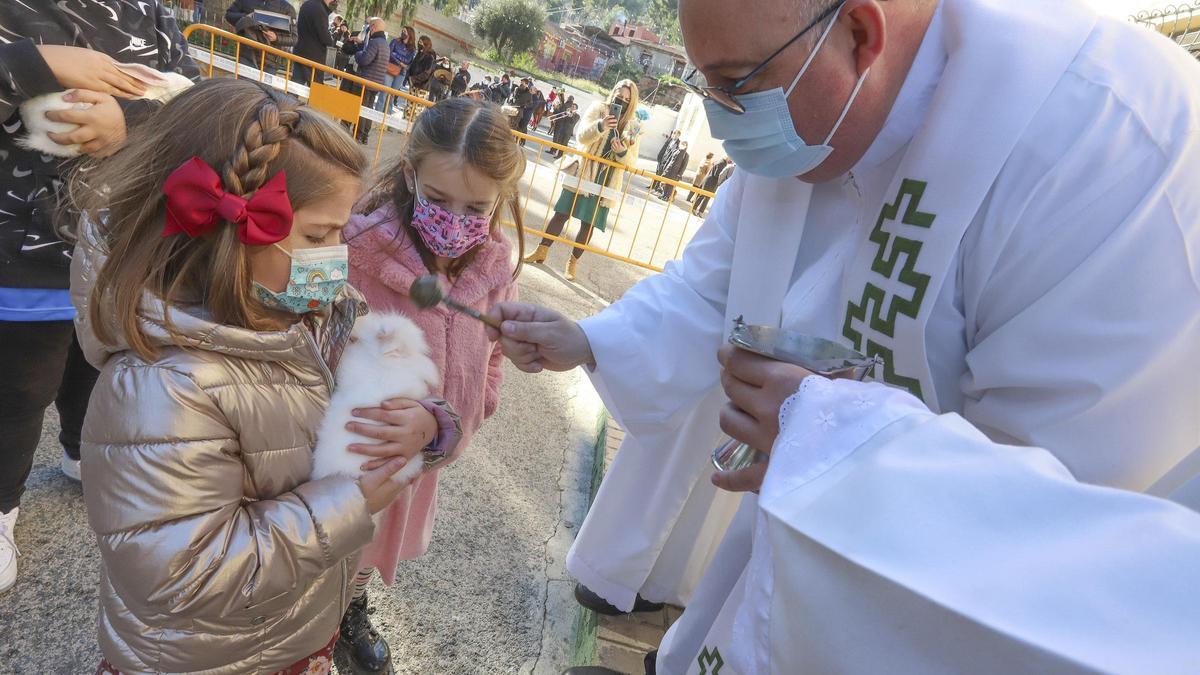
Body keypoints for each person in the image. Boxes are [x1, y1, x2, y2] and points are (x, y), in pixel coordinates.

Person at [488, 0, 1200, 672]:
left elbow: (1044, 542)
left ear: (860, 32)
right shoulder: (805, 115)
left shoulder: (1106, 138)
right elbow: (708, 282)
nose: (720, 115)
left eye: (735, 85)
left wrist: (825, 434)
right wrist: (589, 340)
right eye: (706, 84)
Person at [70, 78, 457, 675]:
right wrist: (343, 506)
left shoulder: (313, 314)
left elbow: (383, 400)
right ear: (227, 233)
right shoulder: (161, 387)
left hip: (290, 631)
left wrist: (427, 427)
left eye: (342, 233)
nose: (339, 257)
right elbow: (180, 575)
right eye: (319, 236)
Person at [0, 0, 198, 596]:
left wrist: (127, 124)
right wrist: (33, 63)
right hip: (19, 249)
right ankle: (4, 502)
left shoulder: (153, 15)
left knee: (99, 361)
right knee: (19, 387)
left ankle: (82, 453)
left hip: (114, 244)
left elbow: (189, 106)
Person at [339, 97, 524, 675]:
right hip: (349, 460)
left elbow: (491, 359)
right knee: (330, 545)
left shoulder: (494, 270)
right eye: (439, 201)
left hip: (422, 461)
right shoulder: (356, 252)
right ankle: (319, 615)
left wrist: (462, 413)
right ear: (410, 173)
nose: (454, 220)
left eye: (475, 207)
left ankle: (350, 606)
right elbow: (317, 351)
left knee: (366, 553)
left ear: (499, 201)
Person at [523, 80, 642, 281]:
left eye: (627, 99)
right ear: (613, 93)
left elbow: (631, 160)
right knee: (561, 213)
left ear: (632, 102)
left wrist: (622, 152)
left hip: (607, 178)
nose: (621, 100)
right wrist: (601, 126)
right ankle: (541, 251)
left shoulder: (634, 125)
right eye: (619, 95)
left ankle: (572, 263)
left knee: (589, 223)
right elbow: (580, 137)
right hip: (584, 170)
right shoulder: (598, 108)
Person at [225, 0, 297, 76]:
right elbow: (229, 15)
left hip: (270, 62)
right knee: (243, 86)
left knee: (264, 88)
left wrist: (276, 38)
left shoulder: (287, 8)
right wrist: (248, 18)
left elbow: (293, 38)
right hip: (247, 54)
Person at [351, 17, 388, 145]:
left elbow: (365, 60)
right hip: (376, 82)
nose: (369, 29)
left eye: (370, 26)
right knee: (369, 110)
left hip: (366, 81)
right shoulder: (385, 44)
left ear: (373, 27)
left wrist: (358, 53)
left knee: (362, 109)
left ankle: (358, 134)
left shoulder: (375, 42)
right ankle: (365, 135)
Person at [291, 0, 337, 86]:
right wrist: (331, 41)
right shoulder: (320, 10)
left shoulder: (306, 4)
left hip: (300, 51)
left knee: (295, 86)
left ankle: (288, 99)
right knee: (315, 89)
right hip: (314, 57)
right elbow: (324, 36)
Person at [379, 26, 416, 114]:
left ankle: (387, 117)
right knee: (384, 92)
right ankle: (377, 114)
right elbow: (389, 53)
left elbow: (408, 60)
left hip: (401, 73)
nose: (402, 33)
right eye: (402, 31)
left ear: (409, 34)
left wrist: (396, 55)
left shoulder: (412, 49)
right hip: (390, 69)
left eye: (405, 31)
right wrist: (400, 62)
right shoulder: (395, 41)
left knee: (391, 95)